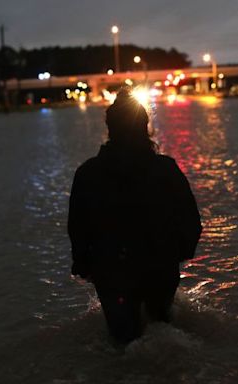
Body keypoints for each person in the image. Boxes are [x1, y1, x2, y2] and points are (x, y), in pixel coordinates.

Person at [68, 89, 202, 344]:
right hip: (160, 267)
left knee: (121, 345)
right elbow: (191, 223)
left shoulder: (87, 173)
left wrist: (85, 266)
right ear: (145, 127)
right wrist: (178, 253)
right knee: (164, 335)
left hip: (111, 271)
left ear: (109, 128)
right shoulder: (166, 169)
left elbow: (77, 230)